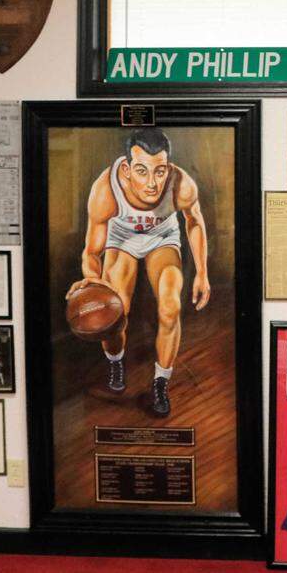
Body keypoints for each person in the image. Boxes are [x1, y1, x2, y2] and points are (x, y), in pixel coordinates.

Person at [66, 128, 210, 417]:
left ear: (167, 167)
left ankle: (160, 382)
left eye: (159, 172)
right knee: (116, 310)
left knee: (171, 307)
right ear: (127, 169)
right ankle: (116, 359)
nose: (152, 183)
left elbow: (194, 222)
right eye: (142, 171)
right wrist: (93, 279)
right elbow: (92, 250)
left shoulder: (182, 185)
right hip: (122, 240)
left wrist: (202, 273)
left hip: (162, 237)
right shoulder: (106, 190)